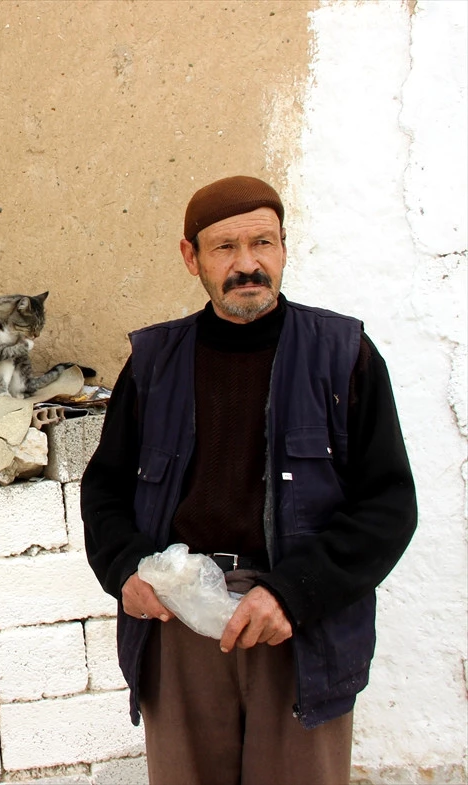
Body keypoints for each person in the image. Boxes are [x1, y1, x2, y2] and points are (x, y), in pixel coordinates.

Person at [80, 175, 417, 785]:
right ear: (192, 258)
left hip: (296, 625)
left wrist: (295, 593)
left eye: (263, 243)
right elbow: (105, 487)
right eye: (225, 248)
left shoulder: (344, 353)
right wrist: (125, 569)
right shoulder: (154, 363)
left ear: (284, 247)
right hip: (179, 623)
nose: (248, 265)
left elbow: (389, 505)